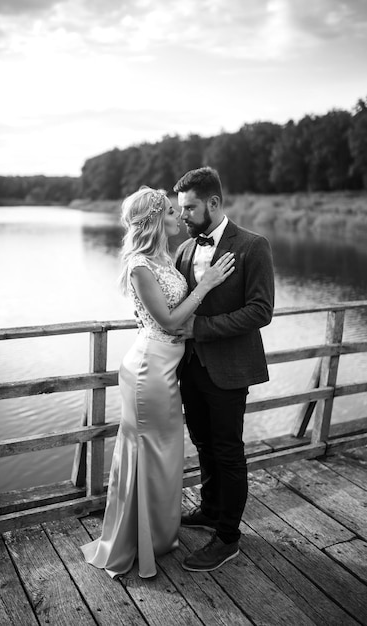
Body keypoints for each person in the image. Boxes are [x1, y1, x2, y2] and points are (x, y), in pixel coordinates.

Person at [80, 185, 235, 579]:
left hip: (168, 366)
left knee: (164, 455)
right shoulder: (139, 265)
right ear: (153, 220)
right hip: (149, 369)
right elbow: (167, 321)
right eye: (170, 211)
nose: (178, 216)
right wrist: (206, 284)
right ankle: (140, 540)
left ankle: (159, 535)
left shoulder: (165, 257)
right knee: (147, 453)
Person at [174, 166, 275, 572]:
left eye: (190, 207)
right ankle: (211, 509)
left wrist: (202, 328)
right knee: (203, 444)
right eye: (181, 208)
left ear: (213, 203)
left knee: (229, 451)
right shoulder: (184, 249)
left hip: (229, 369)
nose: (182, 215)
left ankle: (228, 538)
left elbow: (261, 311)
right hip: (189, 369)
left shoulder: (253, 245)